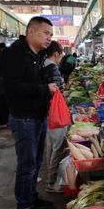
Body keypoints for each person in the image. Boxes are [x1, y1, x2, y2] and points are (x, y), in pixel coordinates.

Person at [3, 16, 57, 209]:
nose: (49, 38)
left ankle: (31, 198)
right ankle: (23, 207)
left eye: (51, 35)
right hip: (24, 118)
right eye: (46, 33)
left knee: (35, 161)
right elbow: (12, 87)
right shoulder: (14, 54)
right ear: (31, 31)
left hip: (38, 116)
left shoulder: (38, 55)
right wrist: (45, 89)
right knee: (27, 163)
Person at [44, 41, 66, 193]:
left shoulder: (42, 64)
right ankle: (51, 182)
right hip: (54, 113)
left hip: (46, 112)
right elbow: (54, 90)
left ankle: (49, 178)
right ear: (56, 54)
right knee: (57, 147)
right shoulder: (52, 67)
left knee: (50, 146)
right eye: (61, 54)